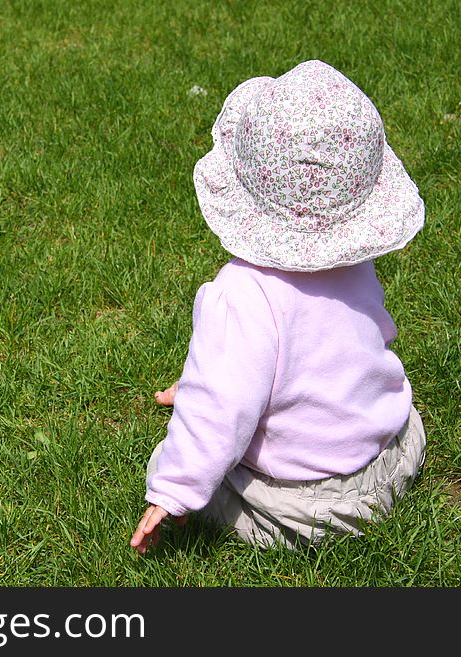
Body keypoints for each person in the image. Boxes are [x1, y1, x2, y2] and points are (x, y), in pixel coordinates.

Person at [130, 60, 427, 553]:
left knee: (208, 471)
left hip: (309, 508)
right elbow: (335, 347)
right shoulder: (354, 262)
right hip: (390, 455)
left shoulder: (243, 294)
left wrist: (174, 492)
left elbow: (218, 412)